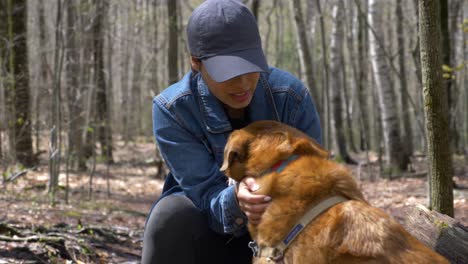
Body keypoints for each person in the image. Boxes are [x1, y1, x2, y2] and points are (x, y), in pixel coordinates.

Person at [141, 0, 322, 263]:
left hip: (285, 233)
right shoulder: (173, 109)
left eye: (249, 67)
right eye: (227, 72)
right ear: (196, 63)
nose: (243, 83)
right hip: (211, 235)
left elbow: (316, 181)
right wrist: (237, 199)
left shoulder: (290, 98)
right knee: (171, 215)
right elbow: (203, 194)